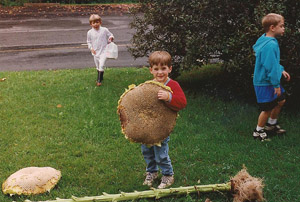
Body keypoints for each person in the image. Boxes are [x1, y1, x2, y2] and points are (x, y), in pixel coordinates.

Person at [141, 51, 187, 189]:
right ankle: (152, 172)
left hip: (163, 127)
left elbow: (182, 103)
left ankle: (167, 175)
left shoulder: (172, 85)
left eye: (163, 68)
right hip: (148, 126)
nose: (160, 72)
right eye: (156, 69)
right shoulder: (148, 85)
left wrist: (169, 97)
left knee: (161, 153)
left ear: (170, 69)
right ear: (151, 70)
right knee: (147, 151)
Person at [252, 13, 290, 141]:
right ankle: (258, 132)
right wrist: (275, 85)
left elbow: (272, 63)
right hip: (265, 82)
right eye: (282, 26)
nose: (284, 28)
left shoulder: (265, 40)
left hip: (270, 79)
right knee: (267, 108)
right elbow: (270, 67)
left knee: (280, 101)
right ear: (272, 27)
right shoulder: (270, 45)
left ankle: (271, 125)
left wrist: (281, 70)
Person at [87, 14, 114, 86]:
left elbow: (110, 35)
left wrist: (111, 38)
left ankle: (99, 81)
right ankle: (101, 77)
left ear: (100, 22)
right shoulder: (89, 33)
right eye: (93, 23)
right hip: (95, 52)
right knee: (98, 66)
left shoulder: (104, 30)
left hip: (104, 51)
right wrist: (91, 48)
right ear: (91, 24)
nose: (96, 24)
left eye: (97, 22)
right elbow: (89, 42)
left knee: (101, 65)